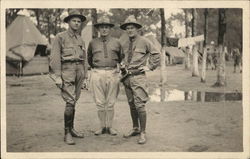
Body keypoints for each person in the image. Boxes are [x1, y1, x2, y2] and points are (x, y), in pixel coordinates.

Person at [119, 15, 160, 144]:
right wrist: (121, 64)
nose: (130, 30)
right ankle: (135, 128)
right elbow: (120, 57)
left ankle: (143, 132)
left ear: (137, 29)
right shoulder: (123, 43)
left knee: (139, 105)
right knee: (131, 104)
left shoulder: (144, 41)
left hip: (138, 77)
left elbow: (156, 54)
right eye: (127, 28)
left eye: (132, 28)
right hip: (126, 77)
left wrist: (150, 66)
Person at [50, 9, 87, 145]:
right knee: (70, 101)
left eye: (79, 21)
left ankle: (71, 129)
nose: (77, 23)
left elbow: (85, 59)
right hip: (67, 70)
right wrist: (57, 76)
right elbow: (54, 58)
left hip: (79, 71)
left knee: (74, 100)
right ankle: (67, 133)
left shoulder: (80, 39)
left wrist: (85, 77)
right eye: (74, 21)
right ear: (68, 22)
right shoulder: (60, 37)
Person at [87, 16, 123, 136]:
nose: (104, 29)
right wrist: (97, 69)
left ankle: (110, 127)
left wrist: (117, 71)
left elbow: (121, 58)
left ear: (110, 29)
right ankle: (102, 126)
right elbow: (89, 59)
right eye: (102, 27)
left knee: (111, 102)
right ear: (98, 29)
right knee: (100, 102)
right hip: (97, 72)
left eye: (106, 27)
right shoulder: (93, 43)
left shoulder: (117, 42)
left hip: (113, 73)